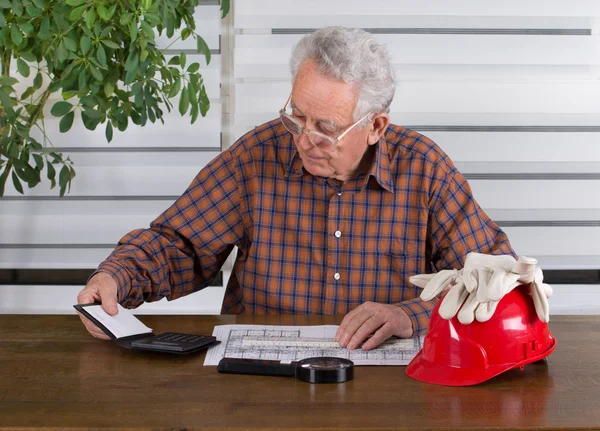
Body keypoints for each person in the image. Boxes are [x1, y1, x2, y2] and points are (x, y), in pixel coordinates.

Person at [77, 26, 515, 350]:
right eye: (296, 115)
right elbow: (179, 244)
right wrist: (117, 276)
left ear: (376, 126)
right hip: (263, 372)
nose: (303, 139)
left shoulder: (424, 170)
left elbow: (493, 277)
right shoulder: (257, 156)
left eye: (325, 128)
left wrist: (409, 316)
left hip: (391, 379)